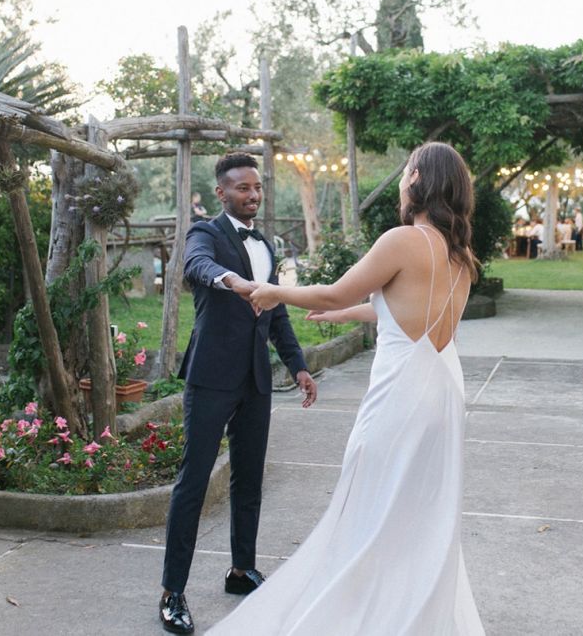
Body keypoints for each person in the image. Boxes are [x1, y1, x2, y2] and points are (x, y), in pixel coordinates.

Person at [206, 141, 485, 635]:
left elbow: (337, 288)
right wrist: (343, 313)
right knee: (420, 514)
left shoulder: (402, 240)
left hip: (401, 395)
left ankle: (361, 612)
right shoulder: (461, 255)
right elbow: (410, 313)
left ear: (418, 177)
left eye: (405, 171)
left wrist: (276, 293)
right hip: (442, 391)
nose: (401, 180)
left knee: (369, 503)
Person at [159, 153, 318, 635]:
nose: (252, 195)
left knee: (249, 479)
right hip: (210, 377)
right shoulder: (204, 233)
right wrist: (234, 281)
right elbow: (198, 266)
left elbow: (278, 313)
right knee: (193, 482)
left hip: (255, 380)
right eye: (242, 188)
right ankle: (172, 593)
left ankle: (240, 569)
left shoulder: (265, 243)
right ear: (221, 194)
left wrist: (298, 365)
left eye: (257, 188)